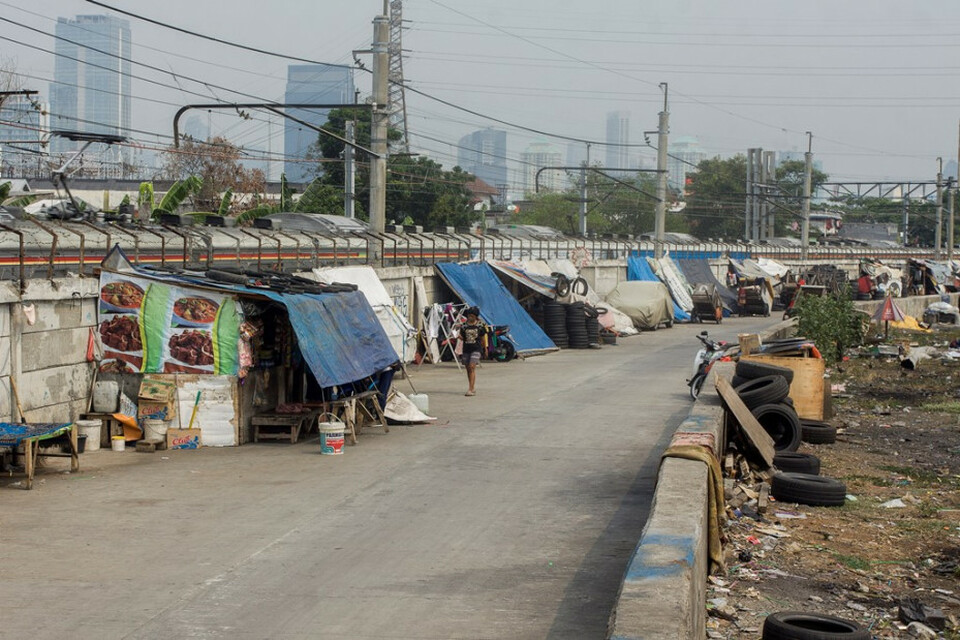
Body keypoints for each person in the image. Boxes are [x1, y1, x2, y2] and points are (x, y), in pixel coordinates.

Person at [458, 306, 487, 396]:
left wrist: (485, 348)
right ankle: (472, 387)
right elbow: (463, 337)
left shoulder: (480, 326)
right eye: (469, 315)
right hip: (466, 349)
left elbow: (483, 338)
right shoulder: (464, 326)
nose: (470, 317)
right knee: (468, 368)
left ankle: (470, 389)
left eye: (472, 316)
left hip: (476, 349)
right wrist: (459, 337)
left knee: (472, 366)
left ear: (476, 316)